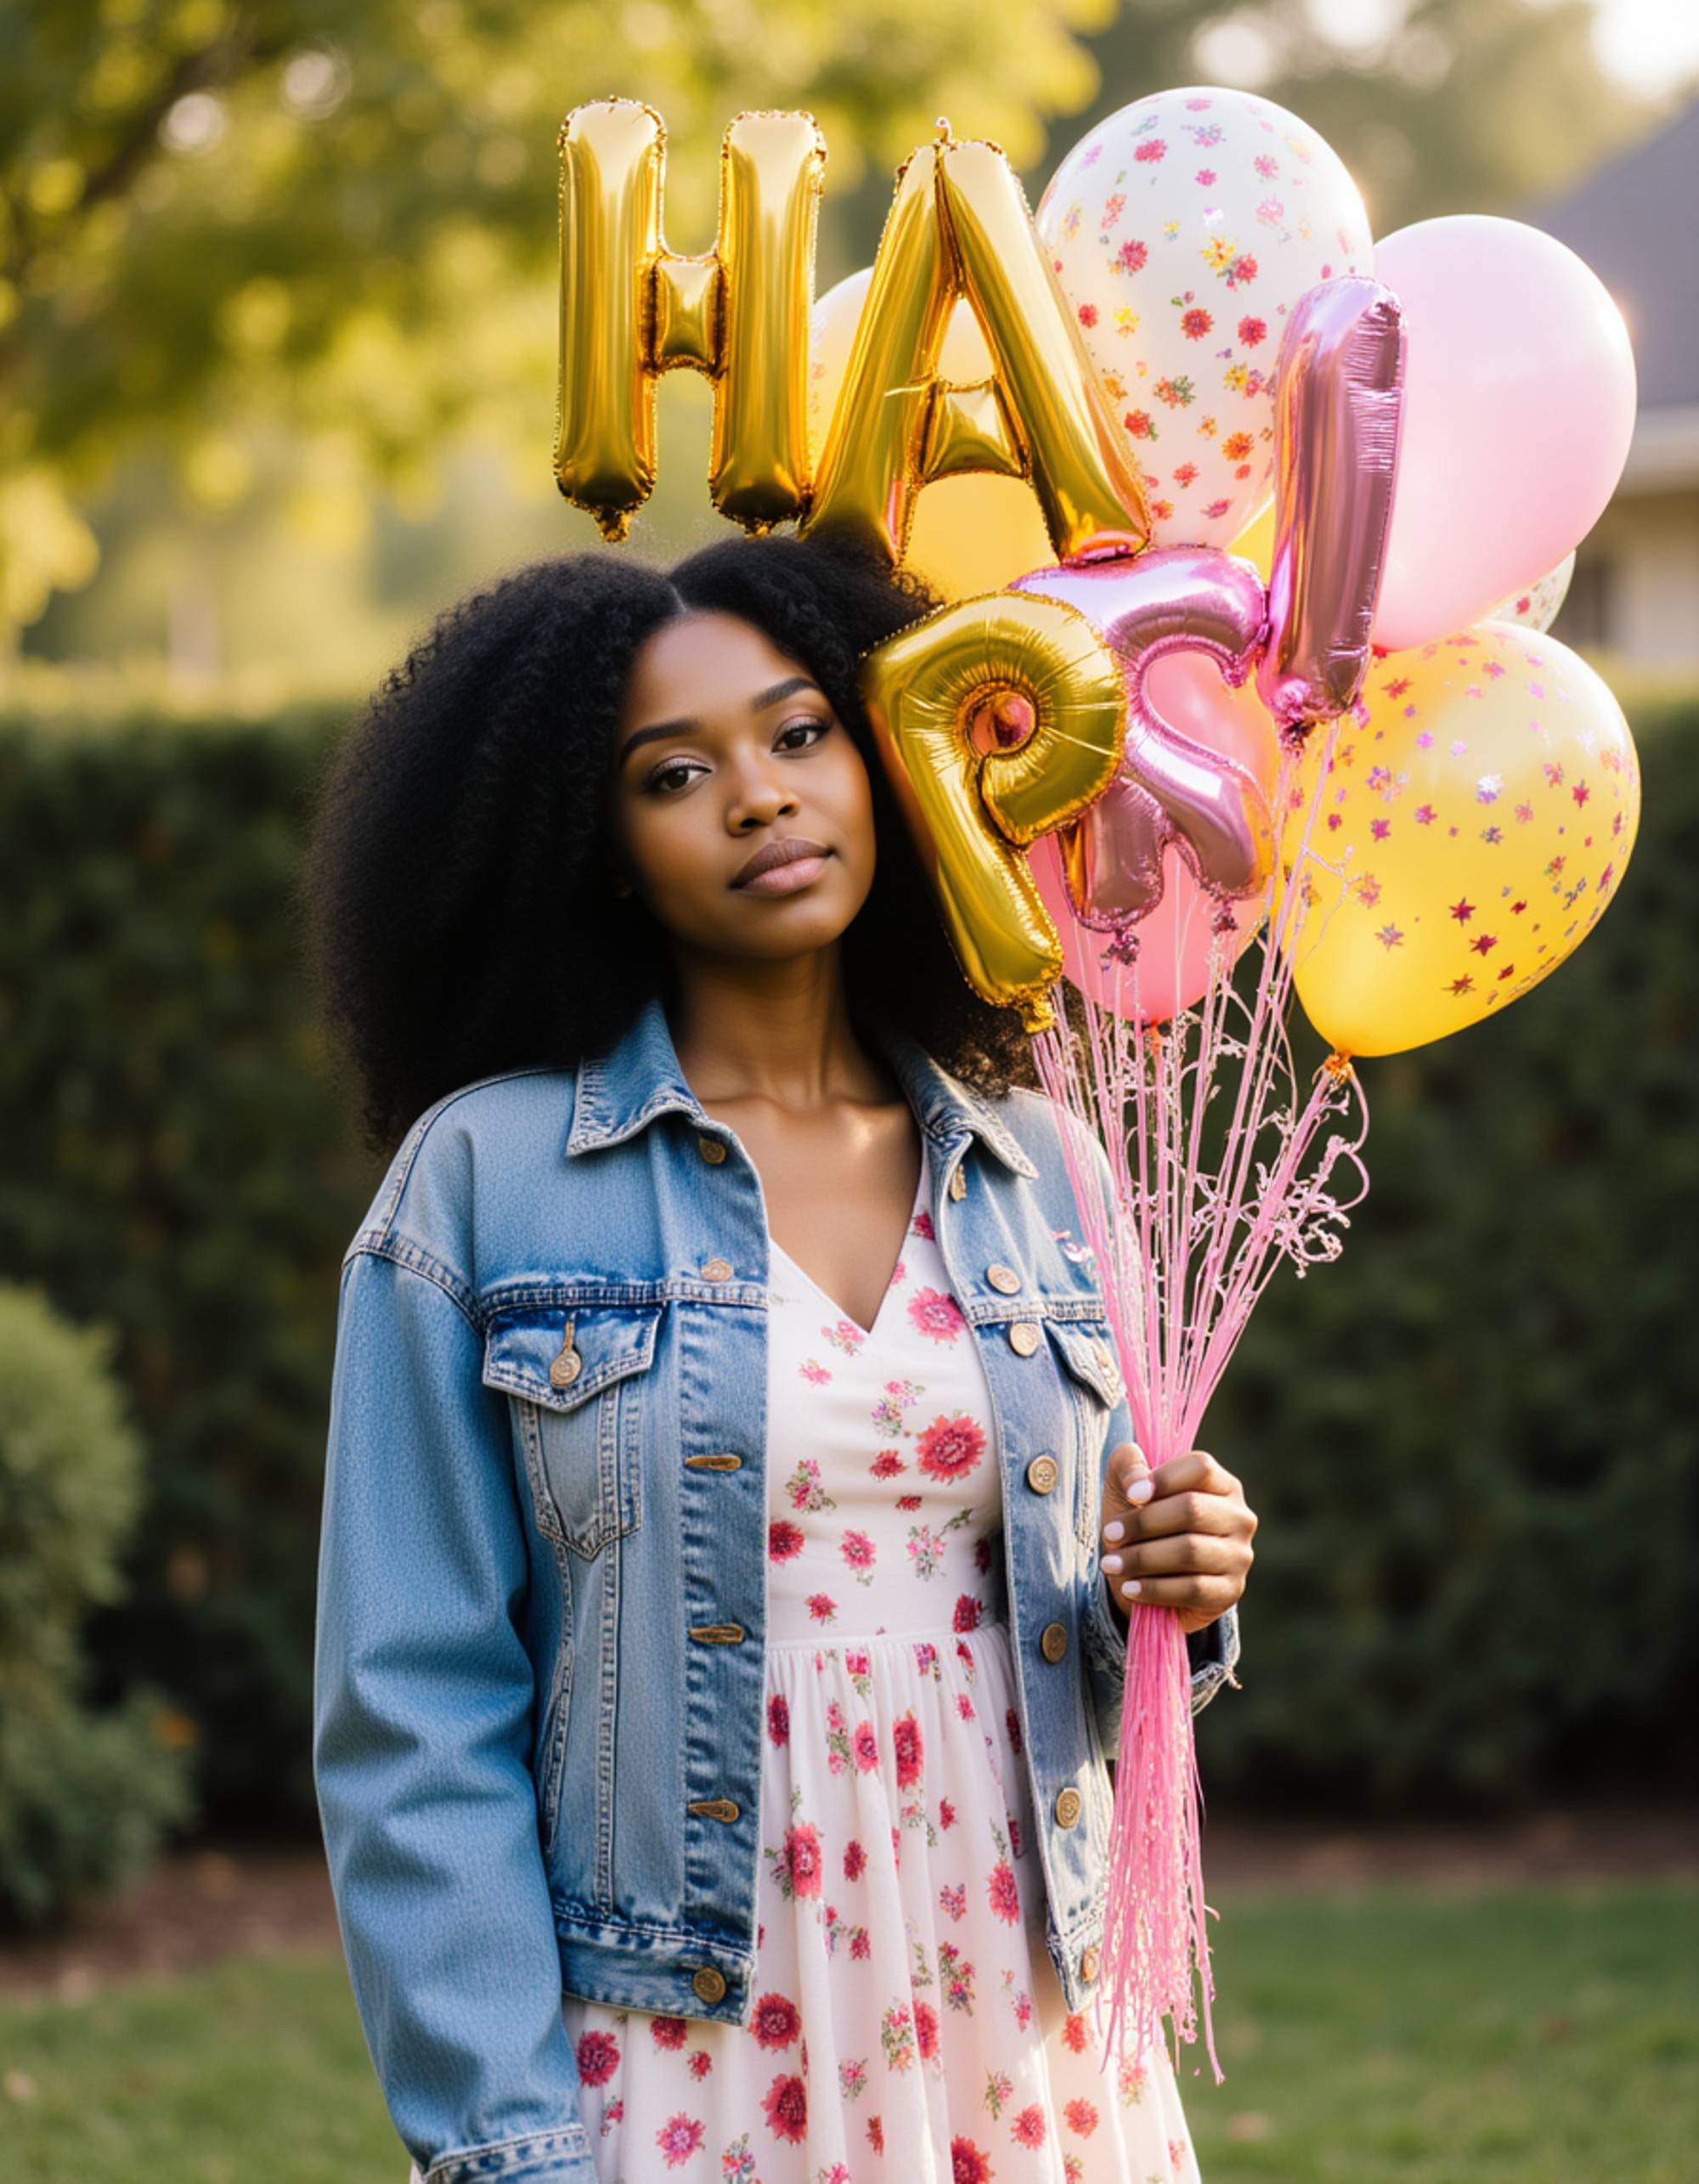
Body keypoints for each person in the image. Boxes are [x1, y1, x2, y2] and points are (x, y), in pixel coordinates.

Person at [303, 530, 1254, 2184]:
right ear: (592, 840)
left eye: (800, 731)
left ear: (893, 758)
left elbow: (1079, 1654)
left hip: (1012, 2019)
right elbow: (409, 1712)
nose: (759, 794)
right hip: (689, 2038)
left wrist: (1172, 1579)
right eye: (677, 771)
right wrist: (511, 2139)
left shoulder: (1041, 1172)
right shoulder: (486, 1184)